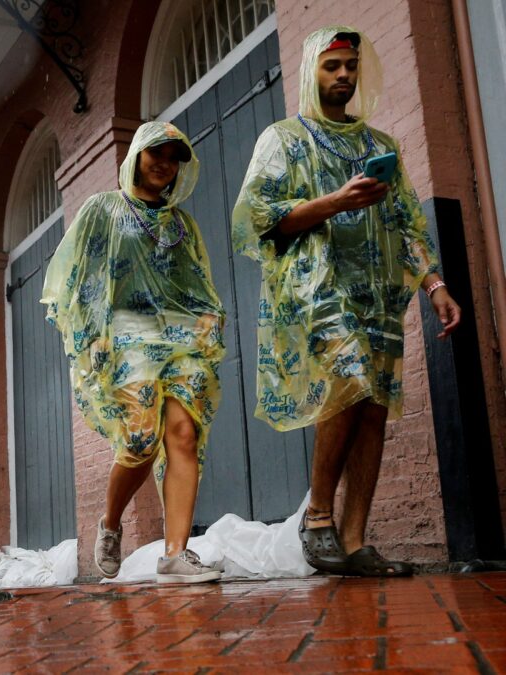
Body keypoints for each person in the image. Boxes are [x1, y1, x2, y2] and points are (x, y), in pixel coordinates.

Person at [232, 26, 461, 577]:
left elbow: (407, 221)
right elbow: (258, 218)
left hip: (379, 291)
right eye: (332, 66)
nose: (343, 76)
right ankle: (317, 518)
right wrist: (334, 201)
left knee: (374, 405)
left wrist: (434, 285)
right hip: (316, 286)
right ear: (312, 70)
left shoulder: (382, 145)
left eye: (350, 66)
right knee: (350, 381)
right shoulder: (283, 138)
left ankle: (356, 541)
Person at [42, 121, 227, 584]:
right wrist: (93, 333)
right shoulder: (102, 209)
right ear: (137, 156)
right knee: (141, 441)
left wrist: (209, 317)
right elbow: (80, 277)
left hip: (181, 338)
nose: (164, 163)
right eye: (156, 152)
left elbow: (197, 281)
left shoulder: (181, 224)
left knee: (184, 435)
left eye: (174, 156)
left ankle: (175, 553)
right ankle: (110, 523)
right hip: (125, 333)